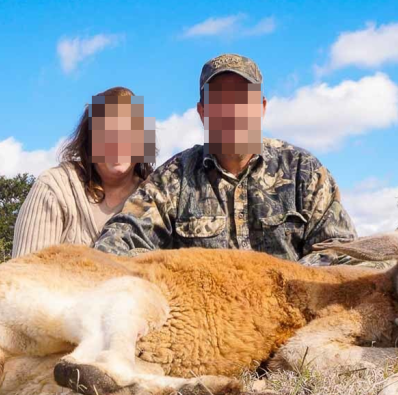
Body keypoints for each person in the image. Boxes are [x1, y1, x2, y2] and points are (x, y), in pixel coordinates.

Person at [93, 54, 357, 265]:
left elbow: (346, 255)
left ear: (262, 107)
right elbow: (114, 247)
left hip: (291, 317)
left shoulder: (304, 172)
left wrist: (278, 284)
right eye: (219, 101)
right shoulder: (173, 179)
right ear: (202, 112)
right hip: (203, 322)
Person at [0, 86, 154, 305]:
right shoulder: (54, 186)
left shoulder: (160, 196)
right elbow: (26, 278)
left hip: (128, 316)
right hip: (54, 310)